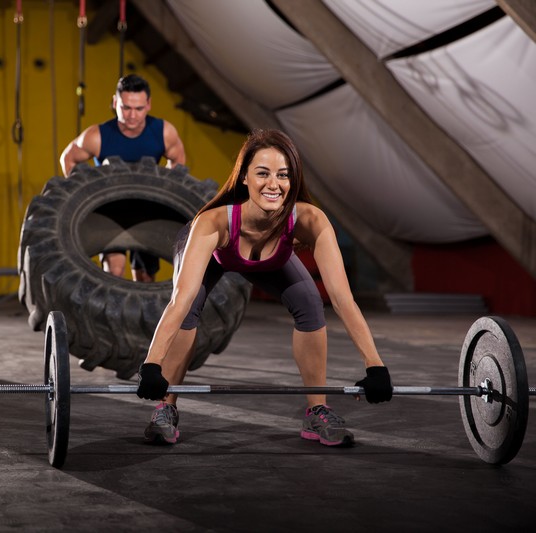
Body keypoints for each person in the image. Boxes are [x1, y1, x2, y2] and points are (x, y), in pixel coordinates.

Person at [136, 129, 392, 447]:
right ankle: (166, 408)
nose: (274, 184)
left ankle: (317, 411)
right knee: (188, 308)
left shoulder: (311, 220)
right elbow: (180, 299)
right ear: (244, 177)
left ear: (293, 179)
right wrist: (151, 365)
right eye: (263, 173)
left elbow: (342, 298)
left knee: (310, 302)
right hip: (215, 253)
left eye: (283, 175)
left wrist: (375, 365)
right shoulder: (212, 223)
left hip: (270, 257)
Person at [60, 74, 186, 282]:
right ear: (115, 103)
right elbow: (68, 159)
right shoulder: (97, 135)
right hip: (110, 213)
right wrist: (88, 194)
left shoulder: (164, 132)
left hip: (147, 212)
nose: (132, 115)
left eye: (139, 108)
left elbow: (178, 163)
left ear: (148, 104)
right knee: (115, 272)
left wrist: (162, 193)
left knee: (145, 278)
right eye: (126, 107)